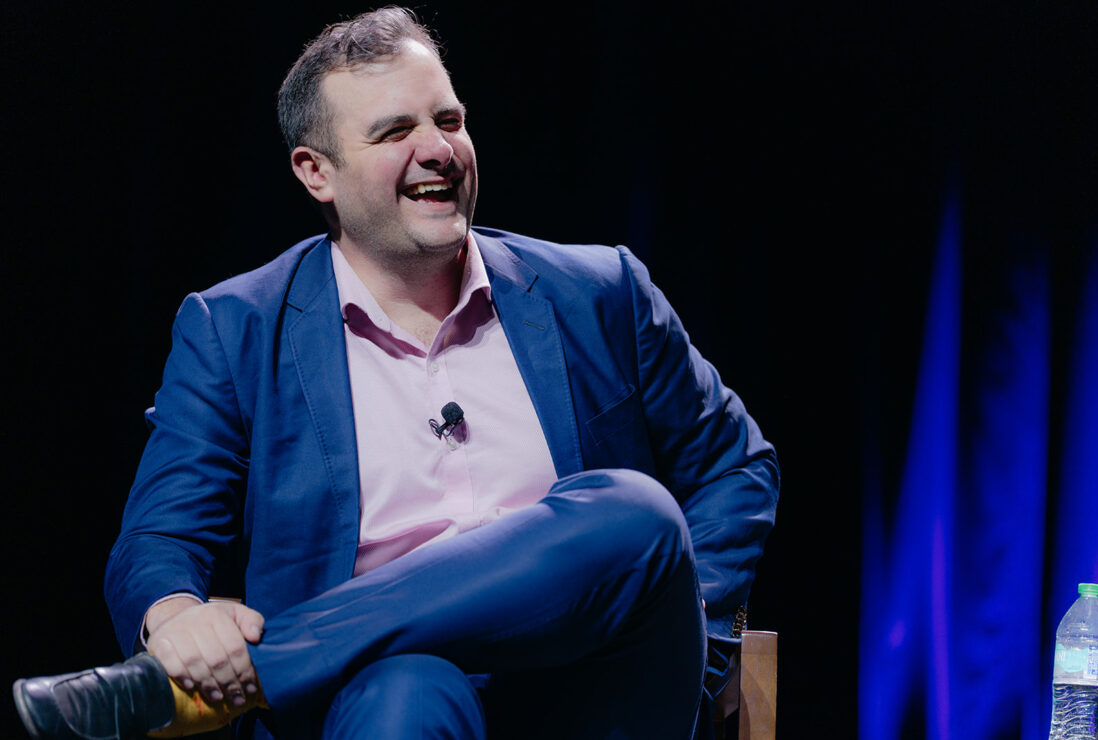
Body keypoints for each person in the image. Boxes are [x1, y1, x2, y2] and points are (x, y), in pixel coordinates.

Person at [13, 7, 779, 740]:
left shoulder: (598, 292)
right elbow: (158, 534)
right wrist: (178, 622)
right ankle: (271, 669)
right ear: (318, 173)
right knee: (404, 689)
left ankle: (253, 674)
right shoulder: (236, 330)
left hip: (602, 690)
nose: (439, 149)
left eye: (448, 120)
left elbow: (738, 467)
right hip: (384, 698)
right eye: (395, 131)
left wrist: (695, 625)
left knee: (635, 512)